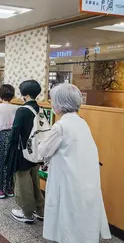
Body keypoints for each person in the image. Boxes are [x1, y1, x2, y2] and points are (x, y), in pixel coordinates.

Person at [39, 84, 111, 243]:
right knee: (80, 219)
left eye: (53, 100)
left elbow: (43, 150)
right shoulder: (81, 122)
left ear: (60, 104)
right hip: (83, 181)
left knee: (66, 219)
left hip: (67, 182)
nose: (51, 104)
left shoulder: (60, 126)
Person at [6, 80, 45, 223]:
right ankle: (40, 210)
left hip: (22, 151)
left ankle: (26, 212)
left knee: (23, 182)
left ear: (25, 94)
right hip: (36, 151)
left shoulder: (22, 110)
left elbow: (15, 132)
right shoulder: (39, 109)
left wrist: (9, 150)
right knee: (34, 180)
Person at [0, 84, 17, 198]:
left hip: (0, 135)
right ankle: (9, 189)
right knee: (9, 162)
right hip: (11, 135)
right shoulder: (16, 108)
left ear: (0, 95)